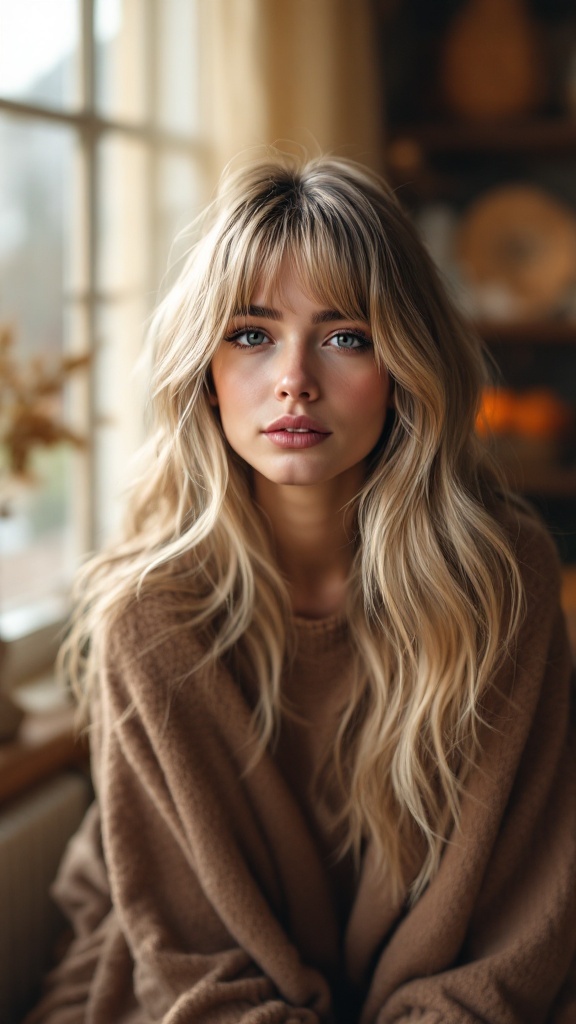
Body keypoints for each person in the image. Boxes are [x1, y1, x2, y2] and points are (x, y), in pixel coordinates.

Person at [28, 154, 576, 1024]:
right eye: (250, 334)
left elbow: (523, 921)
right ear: (203, 371)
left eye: (345, 336)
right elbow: (188, 957)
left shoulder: (500, 585)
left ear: (405, 365)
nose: (294, 379)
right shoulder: (151, 614)